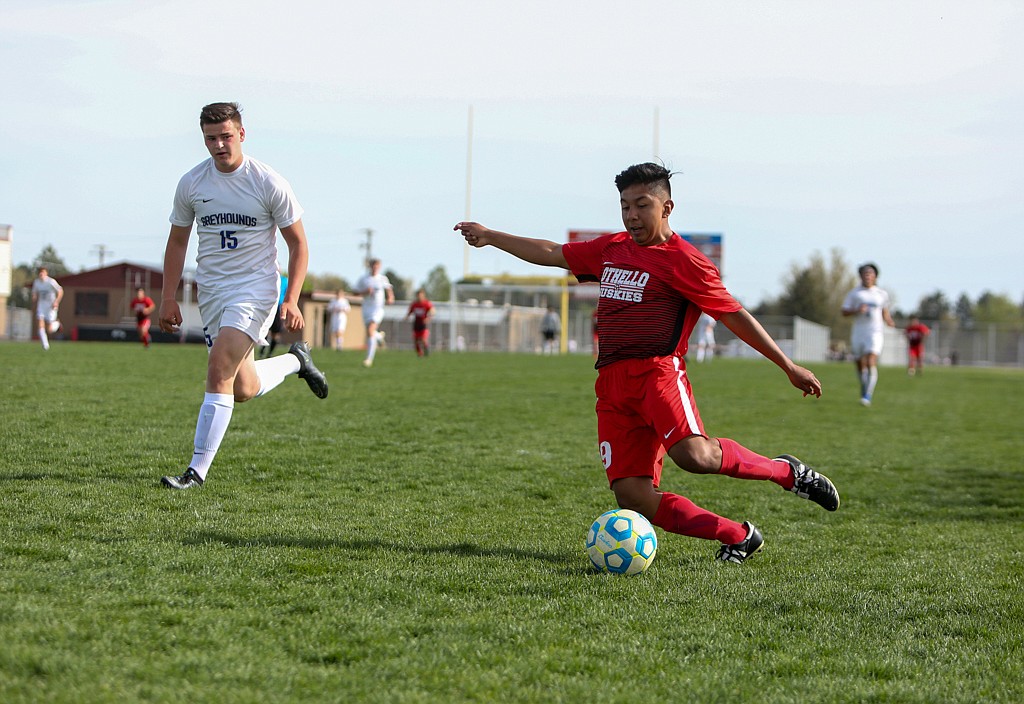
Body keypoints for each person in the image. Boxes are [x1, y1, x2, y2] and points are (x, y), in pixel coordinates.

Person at [454, 162, 839, 564]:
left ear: (667, 207)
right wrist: (491, 236)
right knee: (633, 497)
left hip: (658, 374)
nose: (632, 215)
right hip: (611, 384)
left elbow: (733, 315)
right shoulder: (612, 248)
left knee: (694, 457)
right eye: (624, 206)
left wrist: (787, 365)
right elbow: (553, 253)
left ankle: (787, 473)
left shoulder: (685, 261)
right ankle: (739, 535)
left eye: (642, 205)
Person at [158, 101, 328, 490]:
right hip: (213, 293)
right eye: (210, 138)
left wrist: (292, 299)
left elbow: (298, 245)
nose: (219, 145)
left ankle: (195, 473)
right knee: (242, 387)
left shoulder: (268, 182)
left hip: (256, 290)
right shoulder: (192, 183)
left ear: (242, 135)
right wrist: (168, 296)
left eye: (225, 136)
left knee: (219, 367)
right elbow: (177, 241)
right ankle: (295, 363)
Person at [841, 262, 895, 406]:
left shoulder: (881, 294)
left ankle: (867, 395)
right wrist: (857, 310)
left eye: (870, 273)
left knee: (871, 361)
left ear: (875, 276)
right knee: (859, 364)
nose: (868, 276)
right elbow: (844, 311)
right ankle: (864, 387)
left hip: (875, 332)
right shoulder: (855, 294)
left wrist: (889, 321)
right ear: (860, 276)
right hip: (859, 332)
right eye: (865, 273)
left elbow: (884, 312)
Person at [355, 258, 394, 367]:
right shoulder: (364, 279)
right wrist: (365, 292)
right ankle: (379, 337)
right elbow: (355, 292)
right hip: (367, 308)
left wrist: (390, 297)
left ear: (379, 267)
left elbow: (389, 290)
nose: (375, 268)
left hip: (378, 309)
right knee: (370, 332)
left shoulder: (382, 278)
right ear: (370, 266)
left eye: (377, 266)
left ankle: (369, 359)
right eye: (373, 265)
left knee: (370, 330)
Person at [31, 266, 63, 351]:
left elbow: (60, 291)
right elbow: (34, 291)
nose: (41, 274)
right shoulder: (36, 282)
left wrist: (56, 301)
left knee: (49, 329)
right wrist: (34, 296)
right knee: (40, 324)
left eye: (43, 272)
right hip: (41, 306)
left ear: (46, 273)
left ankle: (57, 324)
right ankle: (45, 345)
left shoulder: (51, 282)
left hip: (51, 306)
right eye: (40, 273)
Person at [259, 268, 288, 358]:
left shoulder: (284, 281)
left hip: (278, 308)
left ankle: (270, 353)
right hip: (268, 305)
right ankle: (262, 349)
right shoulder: (267, 278)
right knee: (266, 329)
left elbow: (287, 293)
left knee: (276, 332)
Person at [405, 288, 434, 357]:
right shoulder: (414, 304)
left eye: (421, 295)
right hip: (416, 324)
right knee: (416, 340)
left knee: (423, 339)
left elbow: (432, 311)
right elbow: (410, 312)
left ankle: (426, 350)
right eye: (418, 295)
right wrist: (407, 317)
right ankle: (420, 353)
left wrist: (428, 318)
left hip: (423, 325)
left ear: (423, 295)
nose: (419, 297)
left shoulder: (426, 303)